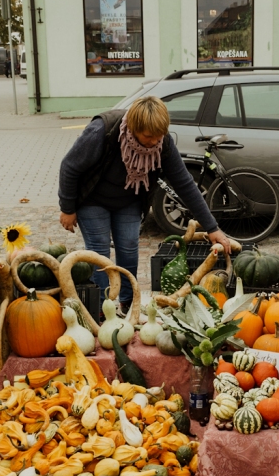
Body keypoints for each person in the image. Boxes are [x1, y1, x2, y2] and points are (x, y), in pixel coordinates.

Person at [58, 96, 231, 313]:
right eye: (148, 136)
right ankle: (101, 310)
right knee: (99, 252)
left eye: (158, 136)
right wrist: (67, 208)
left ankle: (128, 305)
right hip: (92, 199)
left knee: (129, 249)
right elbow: (69, 167)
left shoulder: (162, 143)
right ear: (132, 126)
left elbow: (184, 184)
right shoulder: (103, 131)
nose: (153, 142)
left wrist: (212, 227)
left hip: (129, 199)